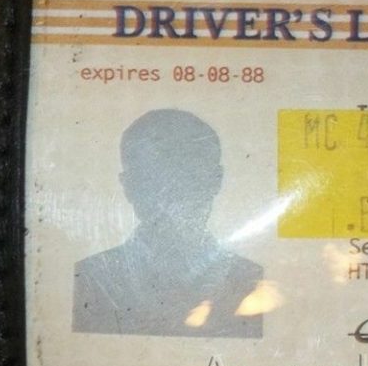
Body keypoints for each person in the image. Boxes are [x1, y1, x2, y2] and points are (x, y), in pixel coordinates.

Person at [73, 109, 263, 338]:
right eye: (153, 178)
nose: (170, 196)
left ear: (216, 181)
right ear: (129, 186)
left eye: (188, 177)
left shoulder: (251, 279)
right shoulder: (89, 279)